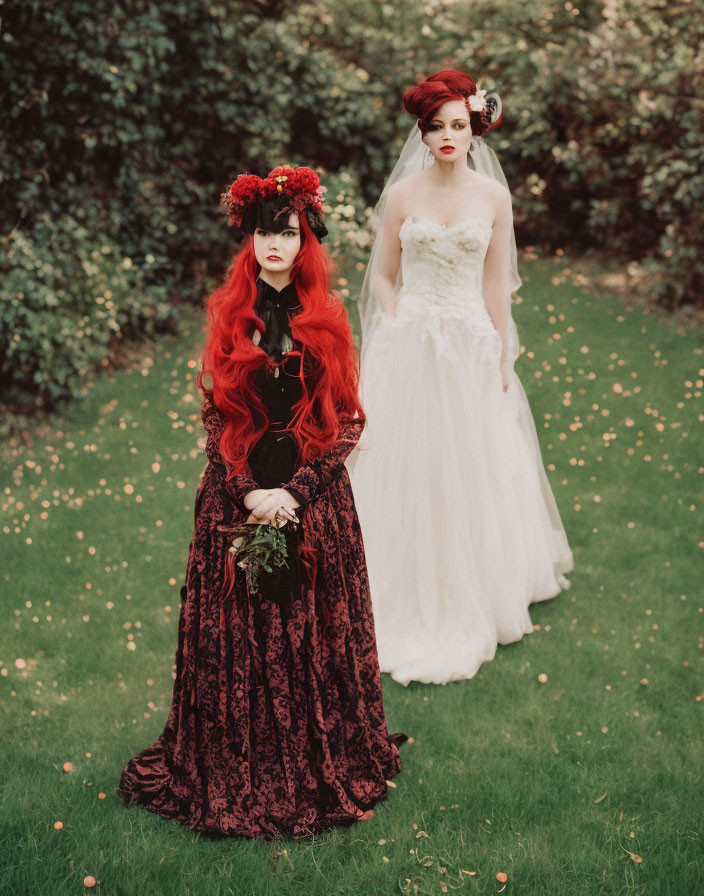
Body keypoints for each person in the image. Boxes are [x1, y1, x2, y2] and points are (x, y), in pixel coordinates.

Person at [117, 165, 405, 838]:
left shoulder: (327, 320)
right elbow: (215, 417)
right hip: (235, 493)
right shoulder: (230, 318)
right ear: (248, 239)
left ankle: (313, 756)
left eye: (288, 232)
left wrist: (296, 493)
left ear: (306, 240)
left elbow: (350, 423)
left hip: (313, 497)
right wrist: (248, 491)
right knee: (238, 628)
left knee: (309, 629)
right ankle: (232, 762)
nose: (275, 244)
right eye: (263, 232)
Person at [349, 70, 574, 686]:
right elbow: (385, 278)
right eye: (436, 127)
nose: (448, 136)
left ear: (475, 128)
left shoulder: (493, 199)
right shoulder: (401, 199)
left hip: (469, 340)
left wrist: (501, 349)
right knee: (408, 462)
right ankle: (398, 582)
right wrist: (392, 327)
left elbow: (496, 281)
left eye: (458, 125)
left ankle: (480, 581)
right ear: (421, 134)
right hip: (412, 342)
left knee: (471, 460)